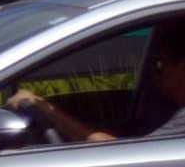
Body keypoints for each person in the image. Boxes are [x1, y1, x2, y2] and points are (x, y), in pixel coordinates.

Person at [10, 25, 185, 145]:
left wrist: (48, 111)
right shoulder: (165, 109)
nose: (156, 69)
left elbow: (122, 154)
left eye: (162, 62)